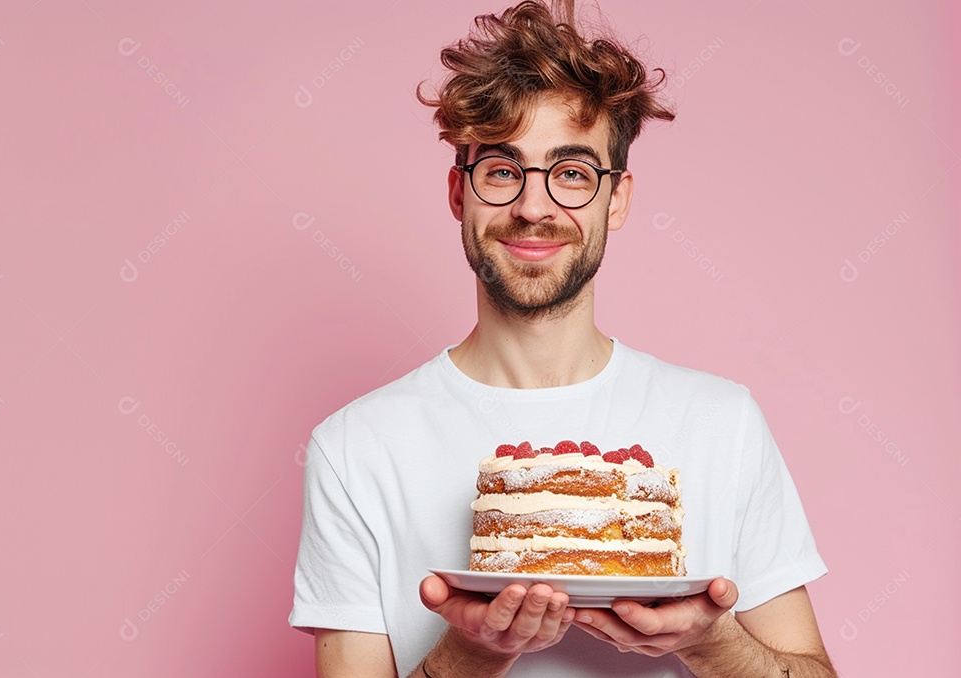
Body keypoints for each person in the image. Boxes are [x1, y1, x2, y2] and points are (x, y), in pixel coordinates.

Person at [289, 1, 836, 676]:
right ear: (460, 192)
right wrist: (469, 653)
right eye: (502, 170)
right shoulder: (355, 449)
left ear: (618, 198)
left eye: (573, 173)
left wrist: (708, 642)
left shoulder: (724, 424)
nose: (534, 207)